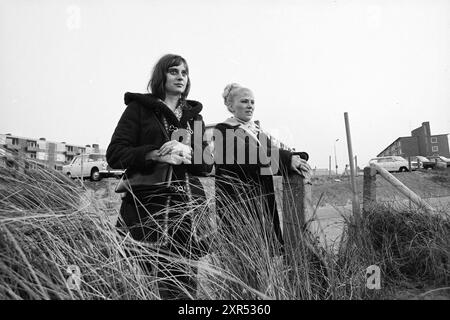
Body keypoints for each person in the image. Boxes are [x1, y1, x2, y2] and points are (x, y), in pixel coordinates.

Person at [106, 54, 212, 299]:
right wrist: (156, 154)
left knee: (184, 286)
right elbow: (115, 154)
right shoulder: (140, 109)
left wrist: (189, 152)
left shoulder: (193, 116)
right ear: (161, 75)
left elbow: (205, 166)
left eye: (184, 73)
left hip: (188, 211)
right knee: (144, 281)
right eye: (174, 71)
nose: (180, 77)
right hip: (147, 209)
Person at [213, 83, 311, 252]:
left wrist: (297, 158)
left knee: (265, 258)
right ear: (230, 106)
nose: (250, 105)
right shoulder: (223, 130)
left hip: (263, 203)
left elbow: (272, 155)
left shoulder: (257, 132)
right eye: (244, 101)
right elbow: (248, 155)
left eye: (252, 101)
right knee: (243, 258)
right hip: (239, 206)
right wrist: (287, 160)